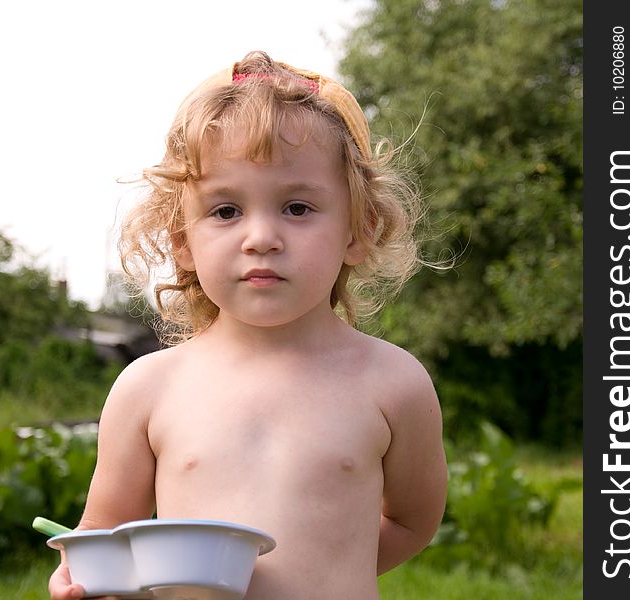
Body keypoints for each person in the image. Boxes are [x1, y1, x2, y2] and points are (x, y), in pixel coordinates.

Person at [49, 50, 447, 600]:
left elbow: (410, 521)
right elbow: (101, 535)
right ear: (182, 241)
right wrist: (83, 581)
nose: (260, 237)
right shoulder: (147, 388)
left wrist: (331, 570)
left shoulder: (394, 383)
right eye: (226, 211)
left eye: (298, 208)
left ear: (360, 228)